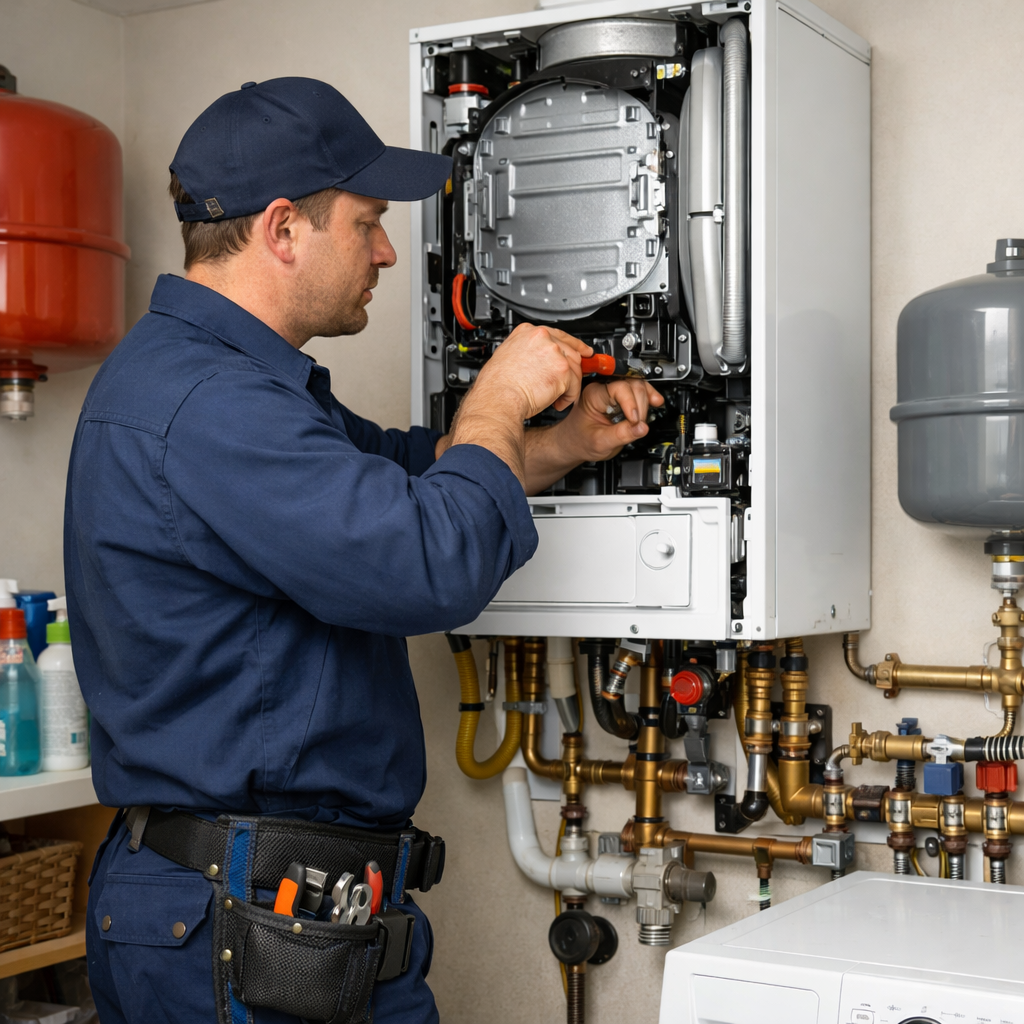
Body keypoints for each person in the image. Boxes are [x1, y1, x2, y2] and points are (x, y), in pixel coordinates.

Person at [64, 78, 662, 1024]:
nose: (388, 250)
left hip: (290, 918)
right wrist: (496, 402)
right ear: (282, 229)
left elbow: (389, 477)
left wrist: (556, 441)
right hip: (245, 930)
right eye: (368, 221)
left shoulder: (237, 386)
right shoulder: (208, 406)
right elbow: (428, 556)